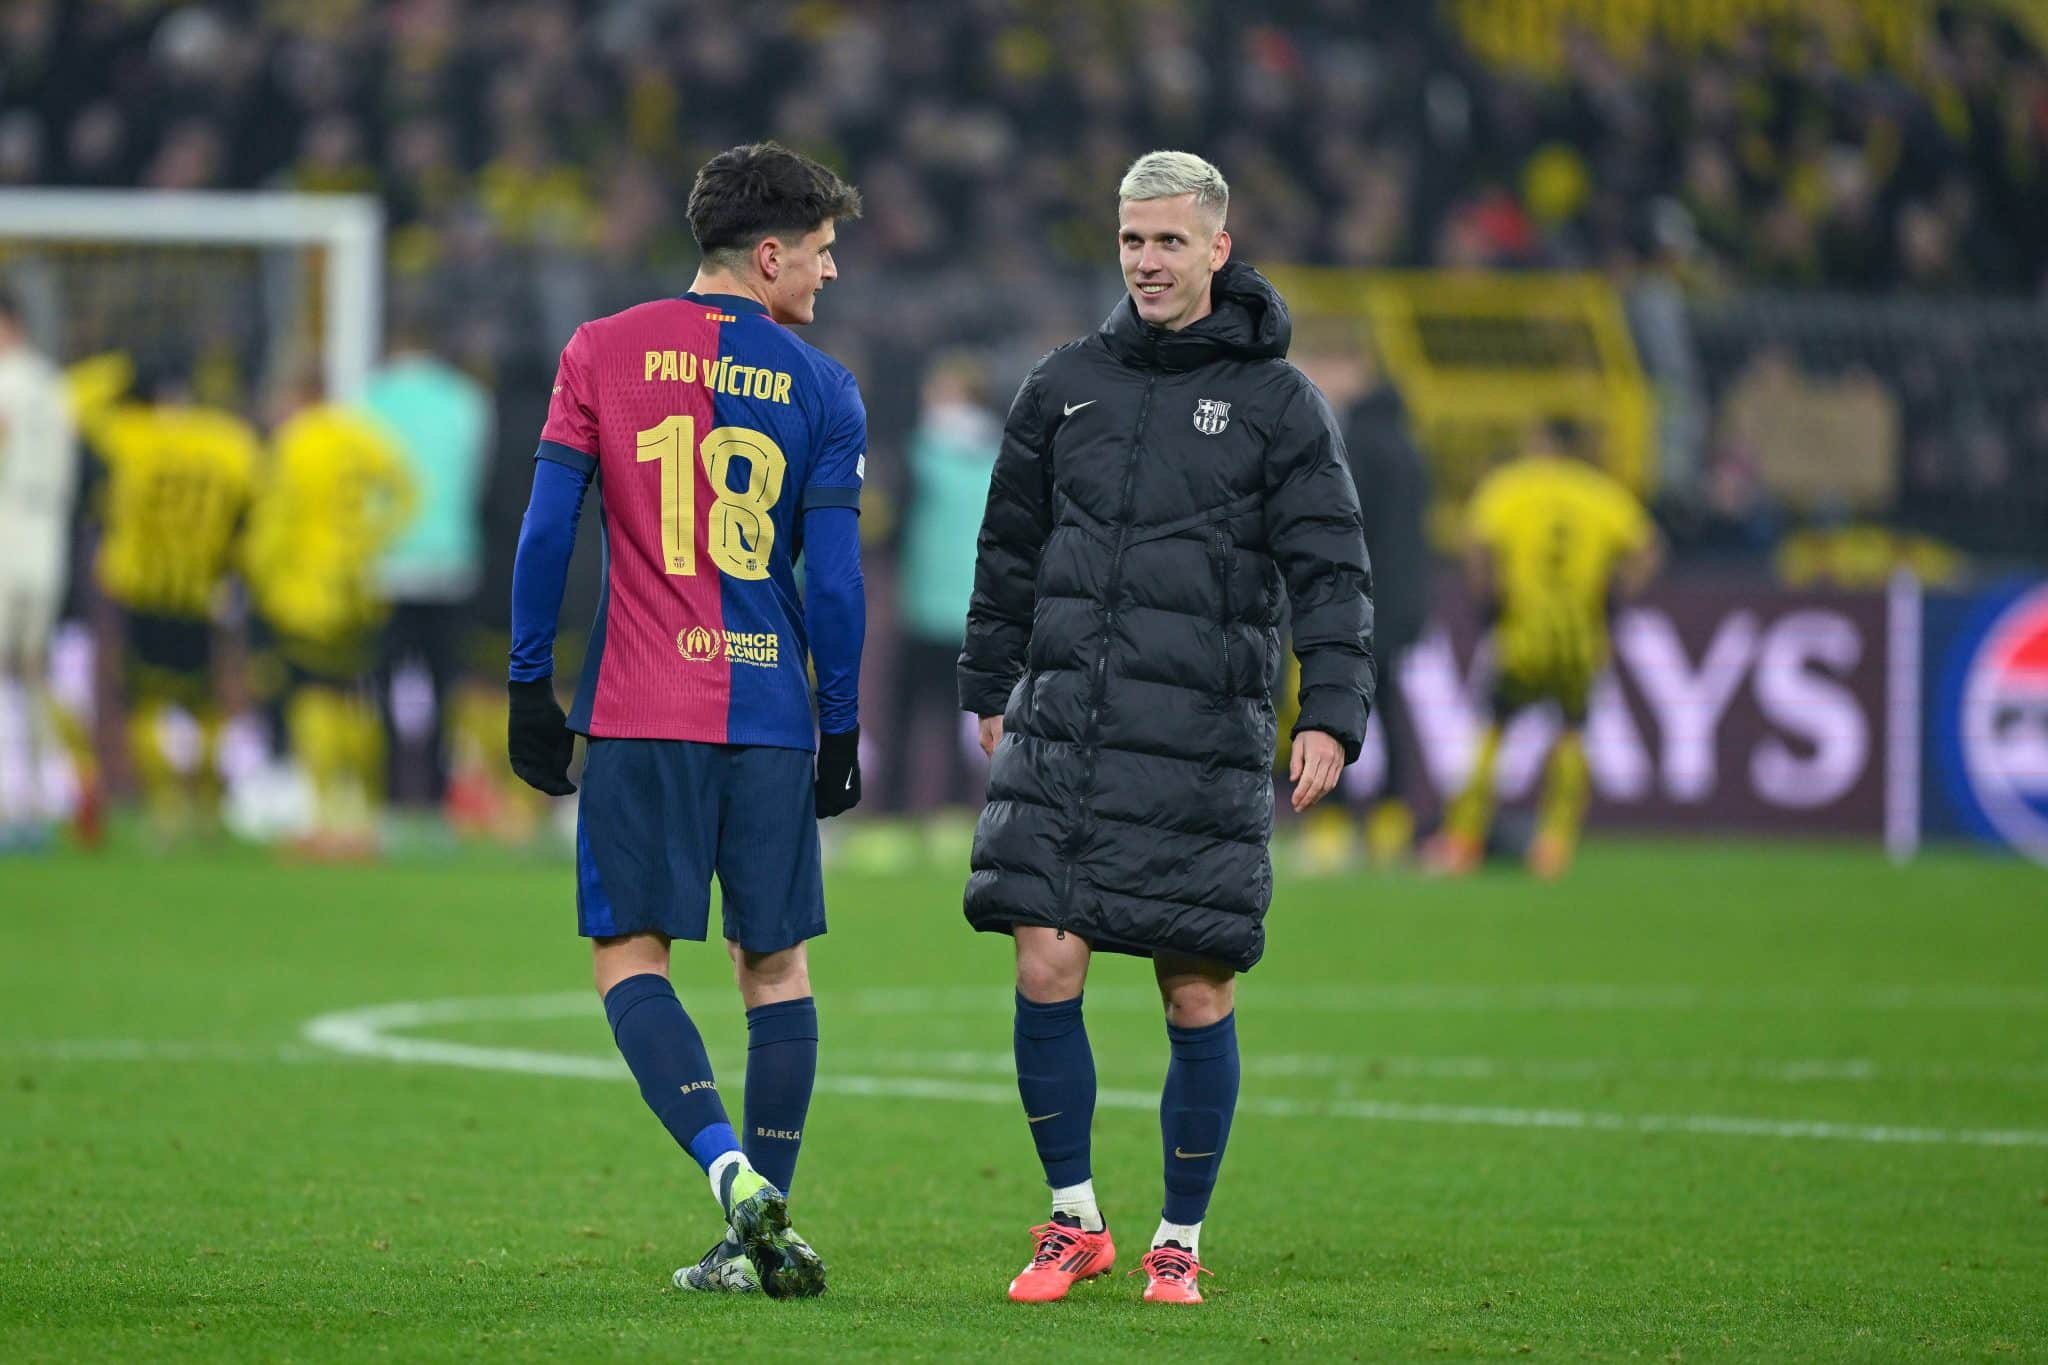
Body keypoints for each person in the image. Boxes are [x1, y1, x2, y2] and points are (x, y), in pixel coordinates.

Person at [959, 151, 1374, 1306]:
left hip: (1197, 732)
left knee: (1195, 988)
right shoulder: (1062, 385)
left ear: (1216, 250)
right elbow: (1008, 549)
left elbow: (1330, 571)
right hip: (1067, 724)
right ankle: (1070, 1220)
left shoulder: (1279, 404)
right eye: (1132, 240)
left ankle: (1177, 1236)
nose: (1146, 261)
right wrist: (988, 680)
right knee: (1043, 960)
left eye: (1169, 242)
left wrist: (1330, 712)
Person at [504, 142, 866, 1300]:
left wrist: (527, 685)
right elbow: (838, 586)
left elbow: (545, 534)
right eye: (818, 252)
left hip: (640, 708)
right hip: (767, 714)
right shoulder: (824, 387)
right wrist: (843, 727)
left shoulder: (599, 351)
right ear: (767, 258)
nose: (829, 274)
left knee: (629, 955)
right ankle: (767, 1214)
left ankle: (726, 1179)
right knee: (775, 970)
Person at [1426, 417, 1661, 878]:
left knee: (1493, 727)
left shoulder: (1509, 487)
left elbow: (1476, 546)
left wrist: (1489, 599)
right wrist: (1613, 598)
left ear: (1542, 442)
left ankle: (1463, 839)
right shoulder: (1602, 494)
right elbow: (1648, 551)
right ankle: (1553, 844)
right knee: (1573, 731)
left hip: (1521, 636)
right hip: (1579, 638)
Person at [84, 366, 259, 840]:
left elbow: (78, 401)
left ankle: (161, 801)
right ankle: (204, 796)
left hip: (145, 586)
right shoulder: (228, 442)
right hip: (201, 588)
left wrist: (121, 368)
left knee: (144, 699)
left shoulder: (134, 437)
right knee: (203, 700)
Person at [245, 378, 416, 855]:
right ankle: (361, 808)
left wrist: (259, 577)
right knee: (353, 696)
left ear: (298, 397)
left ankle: (324, 813)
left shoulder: (293, 444)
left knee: (312, 694)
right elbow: (407, 491)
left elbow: (273, 522)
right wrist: (373, 539)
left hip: (304, 590)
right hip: (358, 589)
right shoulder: (360, 437)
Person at [364, 318, 493, 810]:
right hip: (450, 561)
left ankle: (390, 792)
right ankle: (438, 793)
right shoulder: (467, 400)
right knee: (444, 687)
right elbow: (476, 476)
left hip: (385, 563)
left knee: (381, 689)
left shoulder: (368, 398)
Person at [887, 350, 1000, 812]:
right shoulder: (1000, 456)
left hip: (926, 607)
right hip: (974, 610)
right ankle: (957, 810)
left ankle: (897, 808)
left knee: (908, 715)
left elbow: (892, 529)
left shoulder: (920, 454)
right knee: (964, 719)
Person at [0, 290, 80, 846]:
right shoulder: (56, 388)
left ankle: (12, 797)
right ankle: (42, 791)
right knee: (33, 668)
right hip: (47, 536)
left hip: (4, 529)